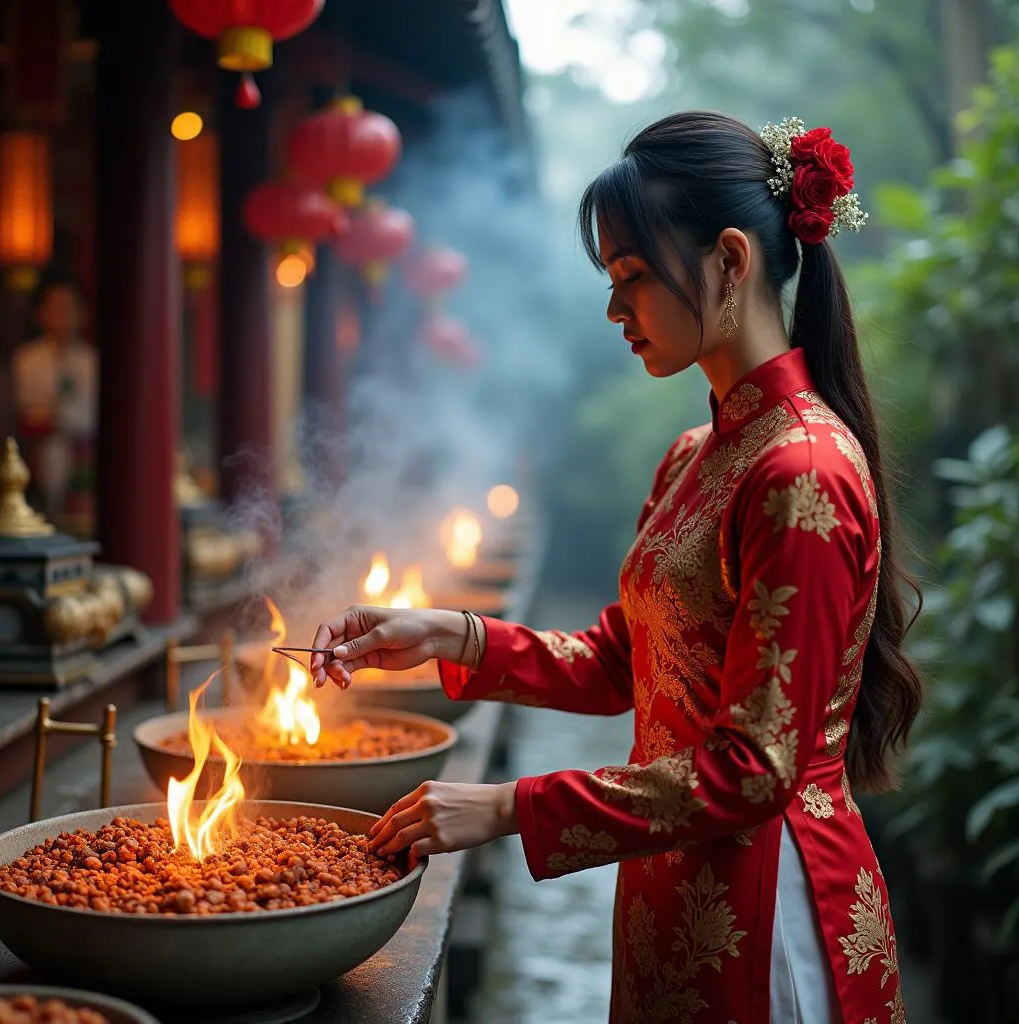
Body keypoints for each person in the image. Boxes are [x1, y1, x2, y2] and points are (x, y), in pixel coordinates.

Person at [311, 112, 922, 1024]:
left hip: (768, 909)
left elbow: (755, 769)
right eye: (611, 279)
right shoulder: (696, 456)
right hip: (673, 882)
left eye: (632, 275)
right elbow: (618, 663)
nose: (613, 308)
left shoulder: (801, 472)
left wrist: (510, 806)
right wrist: (445, 631)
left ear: (729, 260)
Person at [12, 275, 98, 522]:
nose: (62, 314)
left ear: (83, 314)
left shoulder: (91, 362)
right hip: (41, 449)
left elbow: (91, 414)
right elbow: (25, 410)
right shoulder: (27, 360)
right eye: (55, 307)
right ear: (41, 313)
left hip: (82, 454)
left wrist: (66, 418)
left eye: (69, 307)